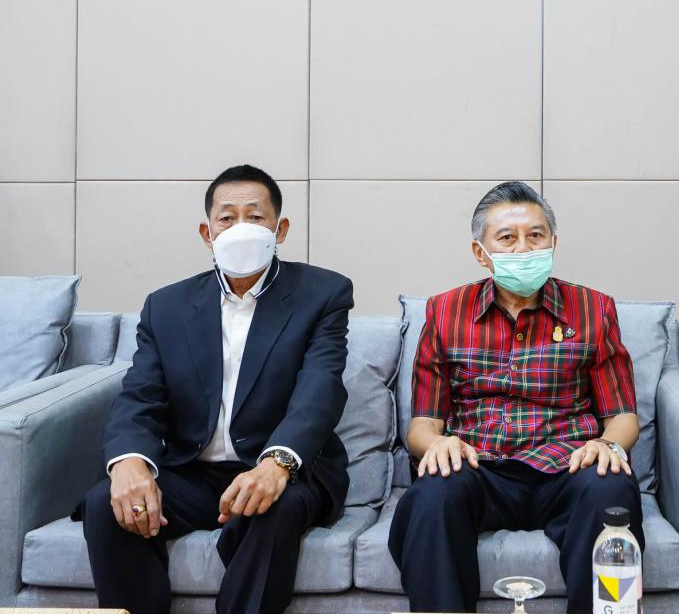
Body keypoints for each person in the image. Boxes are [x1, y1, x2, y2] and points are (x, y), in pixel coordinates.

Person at [79, 164, 354, 614]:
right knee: (106, 504)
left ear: (280, 229)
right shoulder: (166, 306)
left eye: (256, 217)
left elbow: (320, 391)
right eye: (227, 218)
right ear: (207, 233)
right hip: (191, 472)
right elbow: (140, 395)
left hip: (280, 469)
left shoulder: (322, 294)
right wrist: (128, 461)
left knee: (274, 507)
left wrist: (277, 464)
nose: (241, 227)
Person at [388, 181, 643, 614]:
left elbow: (622, 416)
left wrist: (607, 444)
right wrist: (438, 444)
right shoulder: (444, 312)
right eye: (507, 237)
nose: (523, 248)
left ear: (553, 243)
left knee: (612, 486)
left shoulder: (593, 309)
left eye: (535, 235)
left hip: (566, 466)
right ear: (480, 252)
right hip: (479, 468)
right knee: (432, 493)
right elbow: (422, 425)